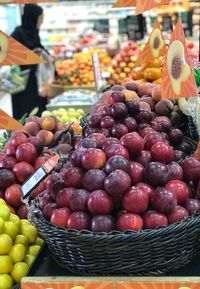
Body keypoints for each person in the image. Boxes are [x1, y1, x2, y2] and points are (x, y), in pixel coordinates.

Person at [11, 4, 48, 119]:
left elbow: (39, 49)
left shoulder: (33, 33)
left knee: (38, 111)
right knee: (26, 112)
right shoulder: (18, 34)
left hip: (36, 80)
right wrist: (31, 56)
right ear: (32, 17)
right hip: (23, 83)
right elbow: (11, 56)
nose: (42, 21)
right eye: (40, 18)